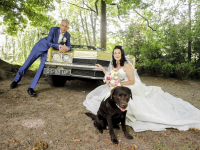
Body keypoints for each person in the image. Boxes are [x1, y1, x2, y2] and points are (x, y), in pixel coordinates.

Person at [83, 45, 200, 132]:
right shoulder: (114, 65)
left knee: (132, 102)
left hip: (129, 85)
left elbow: (132, 80)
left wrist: (120, 85)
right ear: (113, 55)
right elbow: (110, 74)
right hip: (119, 86)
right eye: (114, 53)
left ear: (122, 54)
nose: (116, 55)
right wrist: (102, 69)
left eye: (118, 53)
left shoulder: (126, 65)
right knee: (106, 98)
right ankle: (113, 115)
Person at [10, 19, 71, 97]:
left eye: (66, 26)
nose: (63, 28)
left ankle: (31, 88)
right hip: (40, 47)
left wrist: (66, 49)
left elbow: (69, 46)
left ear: (67, 28)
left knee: (41, 69)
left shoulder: (68, 35)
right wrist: (60, 46)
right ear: (60, 25)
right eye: (62, 25)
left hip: (48, 52)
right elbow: (49, 43)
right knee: (26, 64)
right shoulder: (53, 29)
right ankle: (15, 81)